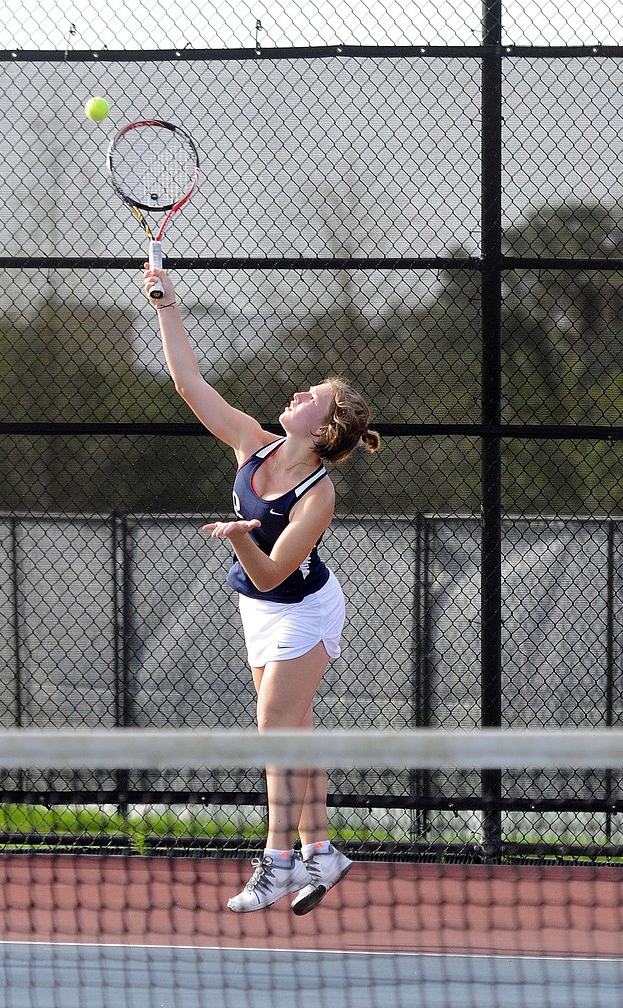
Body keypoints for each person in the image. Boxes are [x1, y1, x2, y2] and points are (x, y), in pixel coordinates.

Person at [143, 265, 380, 915]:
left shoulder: (319, 495)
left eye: (313, 396)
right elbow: (191, 386)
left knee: (274, 726)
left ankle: (277, 862)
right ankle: (322, 851)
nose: (299, 392)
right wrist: (169, 307)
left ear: (324, 428)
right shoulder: (253, 442)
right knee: (293, 729)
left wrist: (239, 534)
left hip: (304, 608)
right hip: (260, 609)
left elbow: (274, 569)